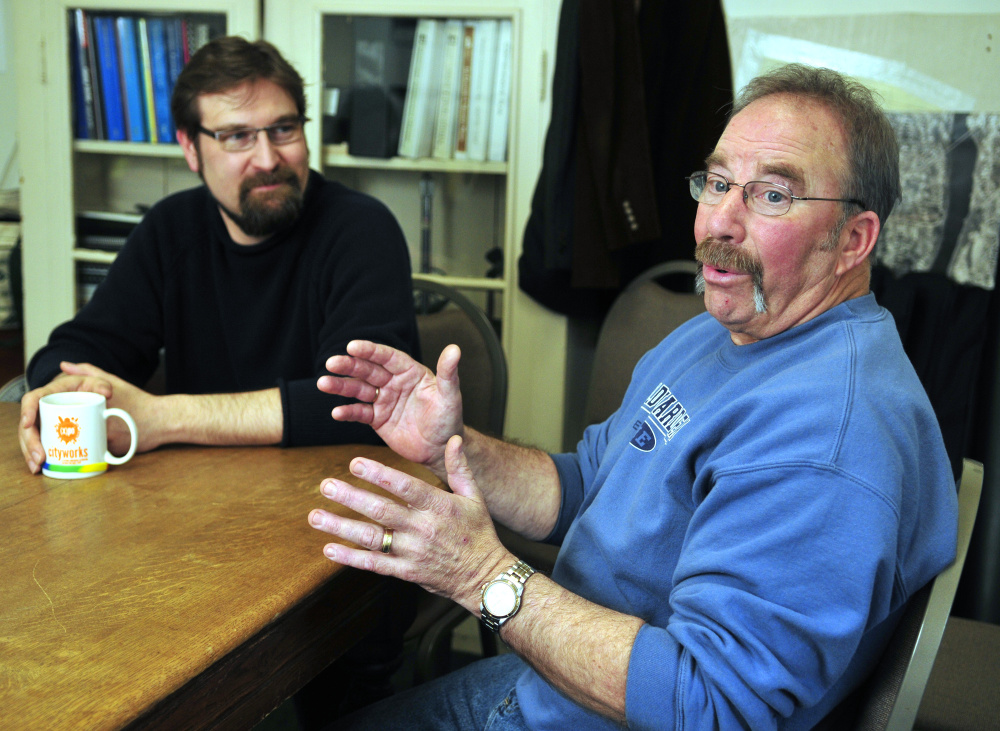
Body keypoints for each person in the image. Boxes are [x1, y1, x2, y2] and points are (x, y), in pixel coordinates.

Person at [308, 64, 959, 730]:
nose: (719, 222)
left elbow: (712, 705)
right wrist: (457, 445)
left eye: (771, 195)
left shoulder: (825, 433)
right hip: (555, 680)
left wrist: (480, 575)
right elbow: (591, 482)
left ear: (853, 240)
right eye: (717, 182)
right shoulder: (716, 332)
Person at [18, 36, 420, 473]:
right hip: (192, 500)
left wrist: (161, 418)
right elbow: (79, 347)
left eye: (283, 129)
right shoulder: (171, 228)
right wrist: (63, 390)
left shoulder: (361, 227)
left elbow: (367, 403)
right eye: (237, 136)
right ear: (191, 148)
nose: (267, 158)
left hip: (331, 495)